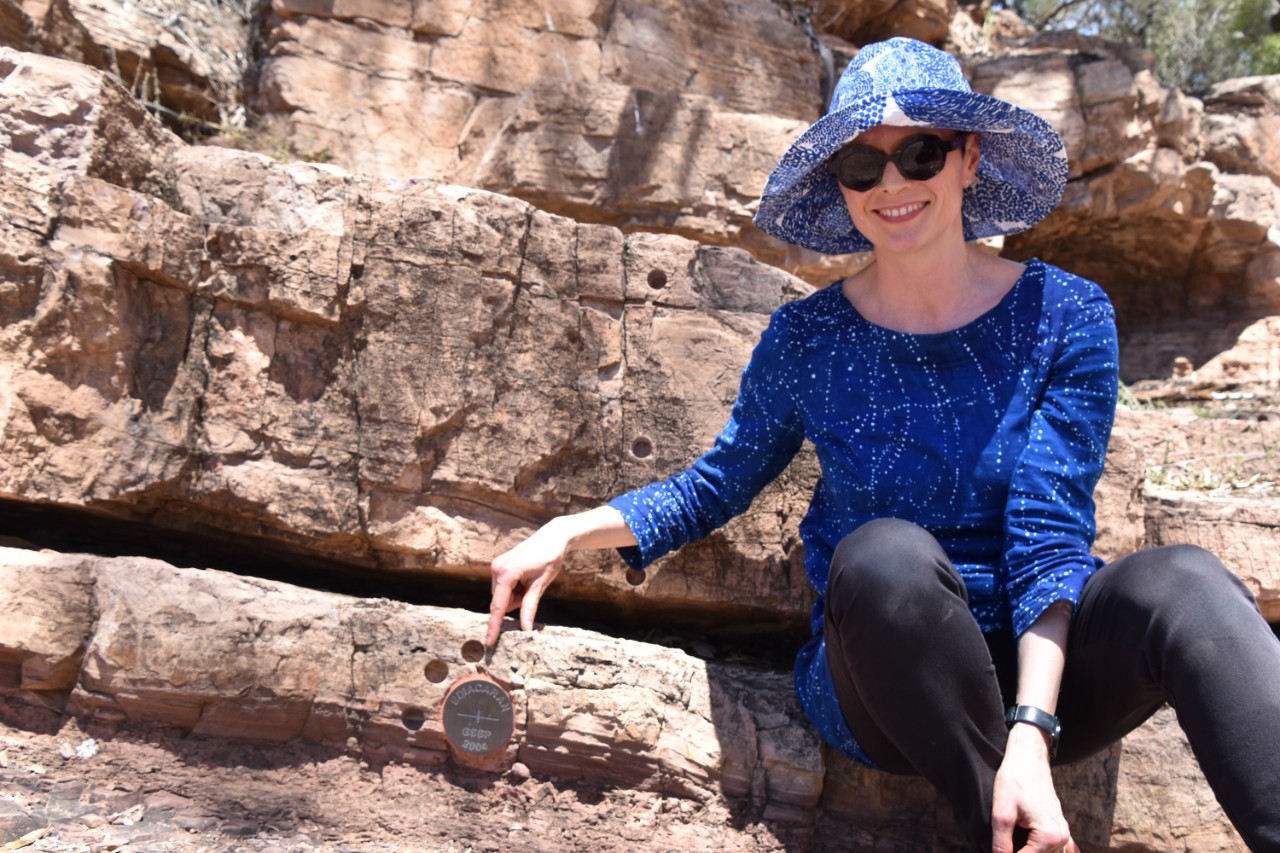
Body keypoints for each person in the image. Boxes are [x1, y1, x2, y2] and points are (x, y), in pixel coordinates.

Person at [484, 37, 1280, 852]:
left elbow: (1049, 535)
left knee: (1187, 581)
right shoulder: (809, 338)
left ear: (969, 159)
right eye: (863, 165)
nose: (892, 184)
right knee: (883, 556)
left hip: (1044, 675)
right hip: (889, 681)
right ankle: (1010, 832)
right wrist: (571, 530)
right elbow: (718, 481)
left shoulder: (1067, 314)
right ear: (841, 184)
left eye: (920, 153)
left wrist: (1032, 732)